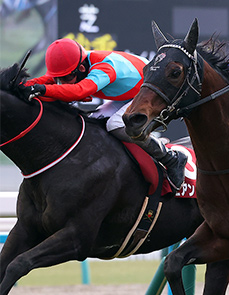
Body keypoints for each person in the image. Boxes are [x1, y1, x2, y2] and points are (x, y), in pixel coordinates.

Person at [18, 38, 188, 189]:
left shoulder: (104, 68)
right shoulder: (78, 64)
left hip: (149, 94)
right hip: (128, 95)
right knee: (91, 122)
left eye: (66, 78)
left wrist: (41, 89)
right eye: (59, 79)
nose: (62, 83)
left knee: (115, 124)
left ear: (81, 68)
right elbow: (48, 80)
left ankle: (171, 158)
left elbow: (78, 91)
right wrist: (19, 86)